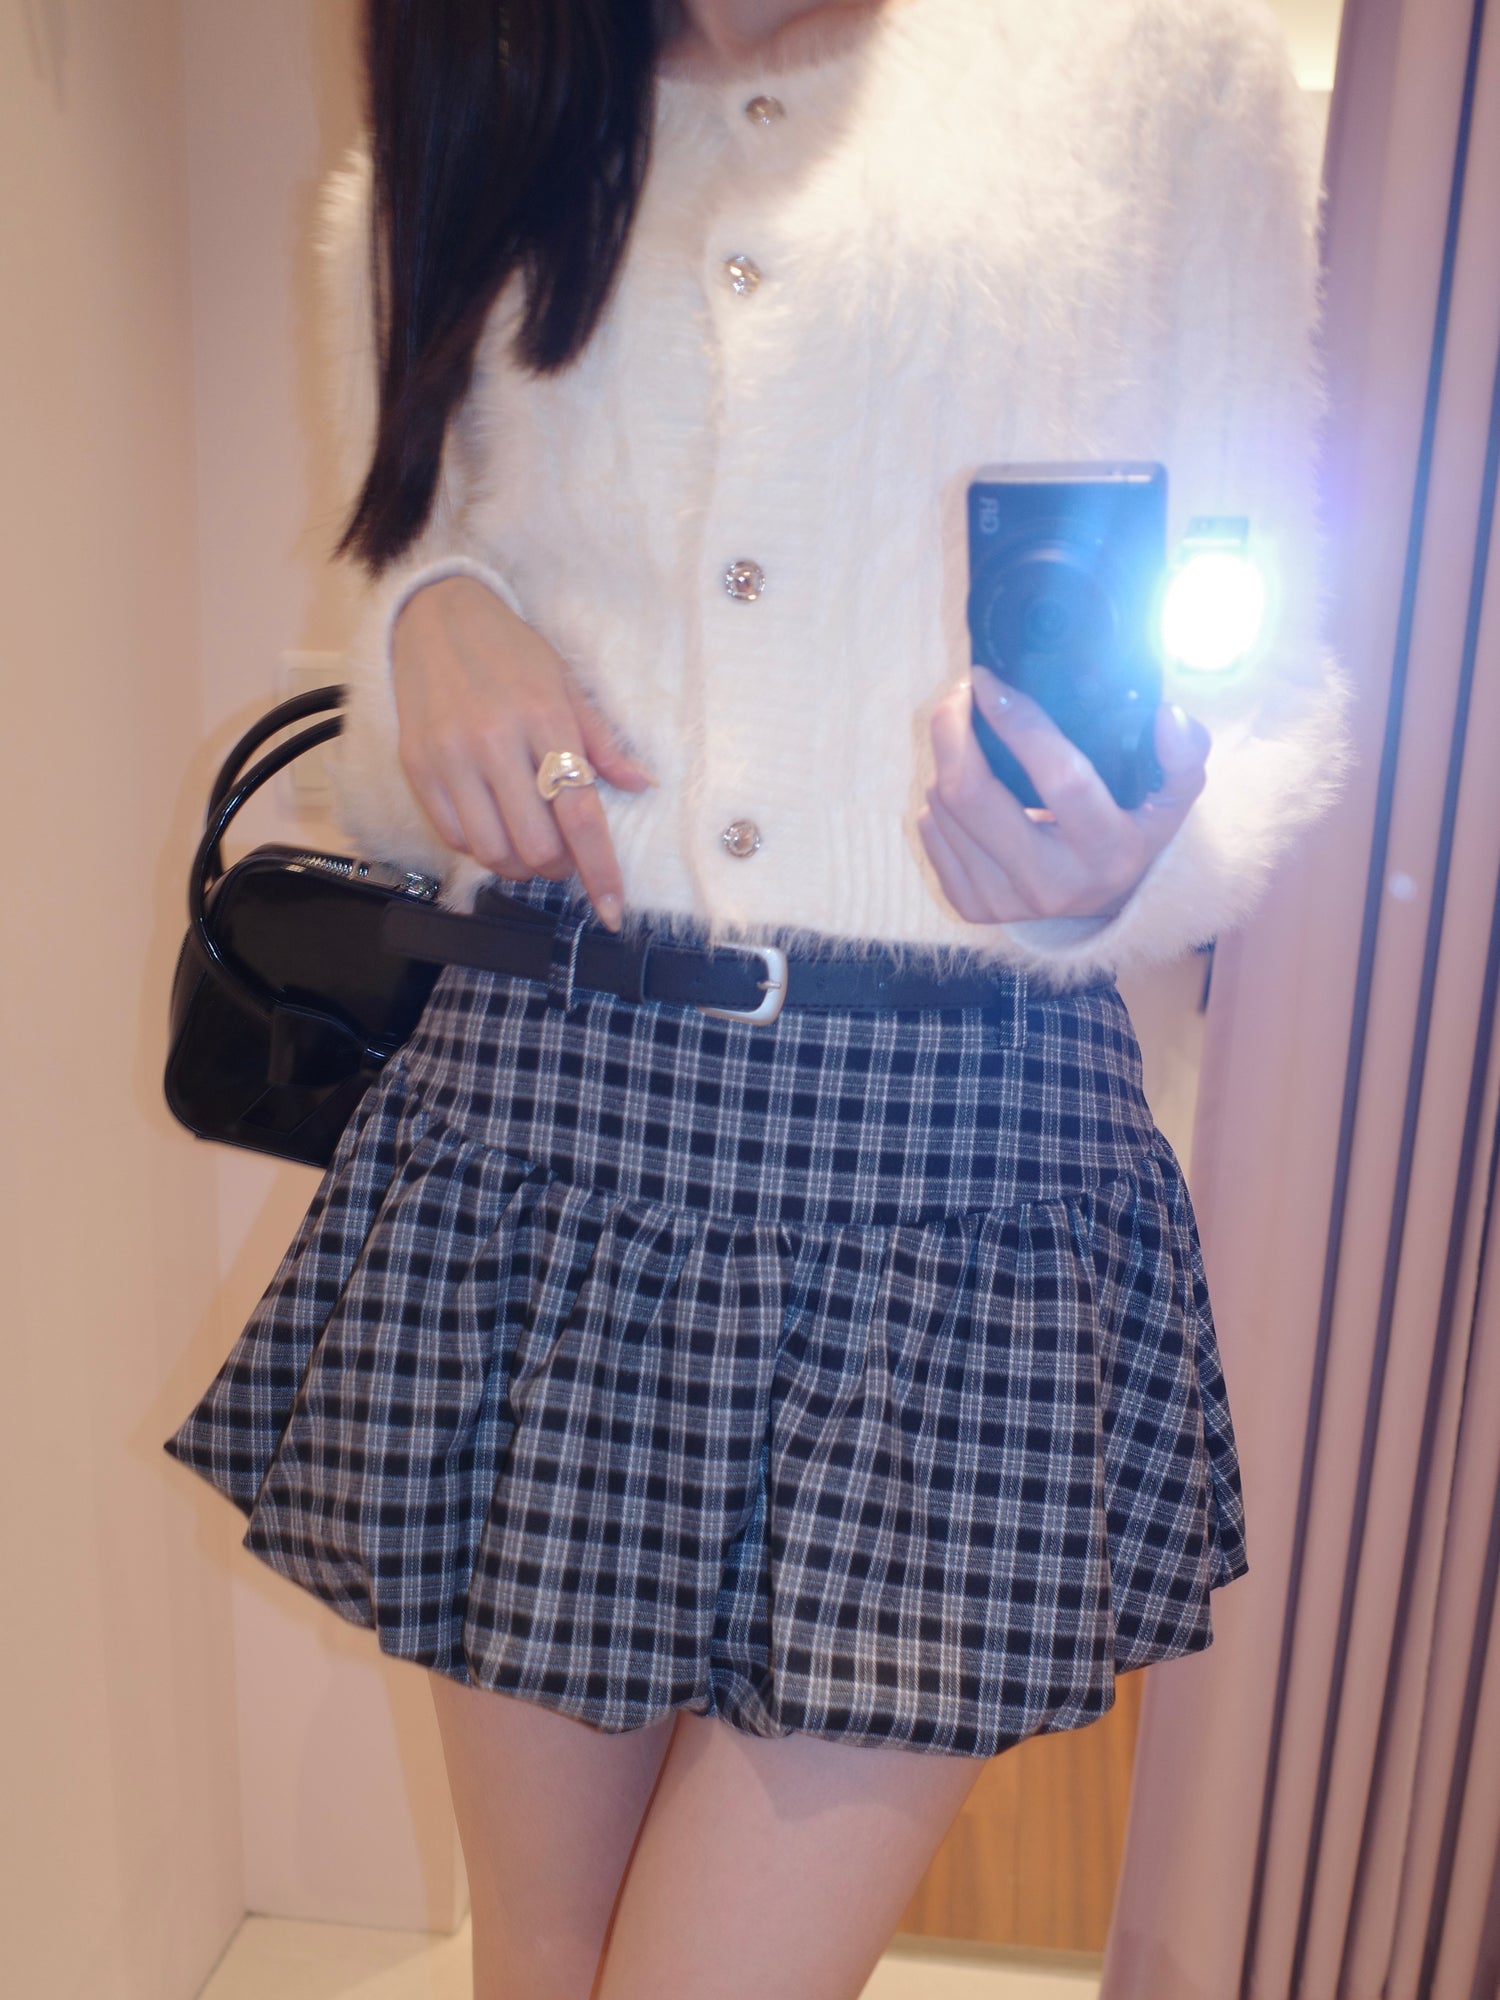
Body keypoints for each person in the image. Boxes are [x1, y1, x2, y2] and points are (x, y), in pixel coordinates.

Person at [164, 1, 1348, 1994]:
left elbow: (1275, 631)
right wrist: (425, 619)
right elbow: (430, 570)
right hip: (551, 1124)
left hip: (952, 1172)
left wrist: (1135, 852)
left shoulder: (1150, 60)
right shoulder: (489, 84)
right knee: (544, 1959)